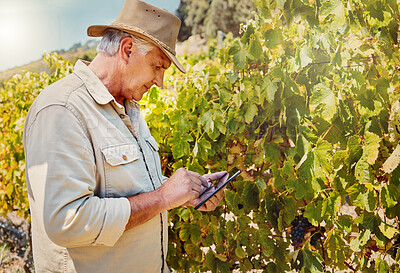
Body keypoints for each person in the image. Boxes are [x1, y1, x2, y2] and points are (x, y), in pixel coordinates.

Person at [23, 1, 228, 272]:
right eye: (158, 66)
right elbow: (66, 221)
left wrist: (187, 192)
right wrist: (164, 198)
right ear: (128, 49)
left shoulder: (127, 108)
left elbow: (126, 186)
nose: (160, 82)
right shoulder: (62, 109)